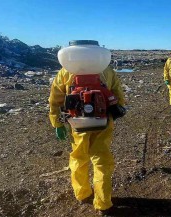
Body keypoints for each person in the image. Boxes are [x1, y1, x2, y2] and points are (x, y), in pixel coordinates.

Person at [49, 64, 125, 214]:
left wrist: (57, 123)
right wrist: (116, 111)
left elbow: (55, 99)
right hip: (102, 122)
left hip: (77, 123)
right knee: (102, 160)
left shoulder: (66, 71)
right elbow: (118, 94)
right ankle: (103, 204)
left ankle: (82, 194)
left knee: (78, 157)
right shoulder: (106, 69)